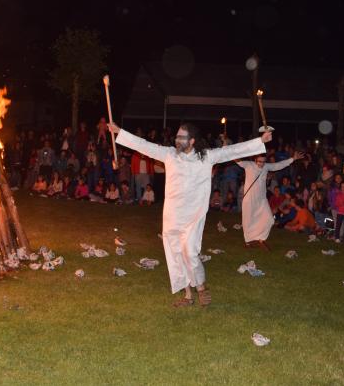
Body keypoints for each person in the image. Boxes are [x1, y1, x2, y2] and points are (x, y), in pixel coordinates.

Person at [109, 121, 270, 307]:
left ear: (192, 141)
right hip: (172, 215)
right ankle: (187, 296)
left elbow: (231, 151)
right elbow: (144, 145)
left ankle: (200, 286)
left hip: (194, 214)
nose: (177, 140)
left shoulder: (206, 157)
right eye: (177, 136)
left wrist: (260, 141)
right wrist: (119, 131)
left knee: (190, 251)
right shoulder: (169, 154)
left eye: (181, 137)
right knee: (175, 253)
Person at [237, 150, 304, 249]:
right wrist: (228, 148)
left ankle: (261, 238)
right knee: (248, 220)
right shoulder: (249, 165)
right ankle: (248, 241)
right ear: (255, 160)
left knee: (269, 219)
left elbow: (278, 165)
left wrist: (293, 159)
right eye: (260, 161)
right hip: (249, 198)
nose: (261, 164)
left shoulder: (266, 166)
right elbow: (237, 160)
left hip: (262, 199)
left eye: (263, 161)